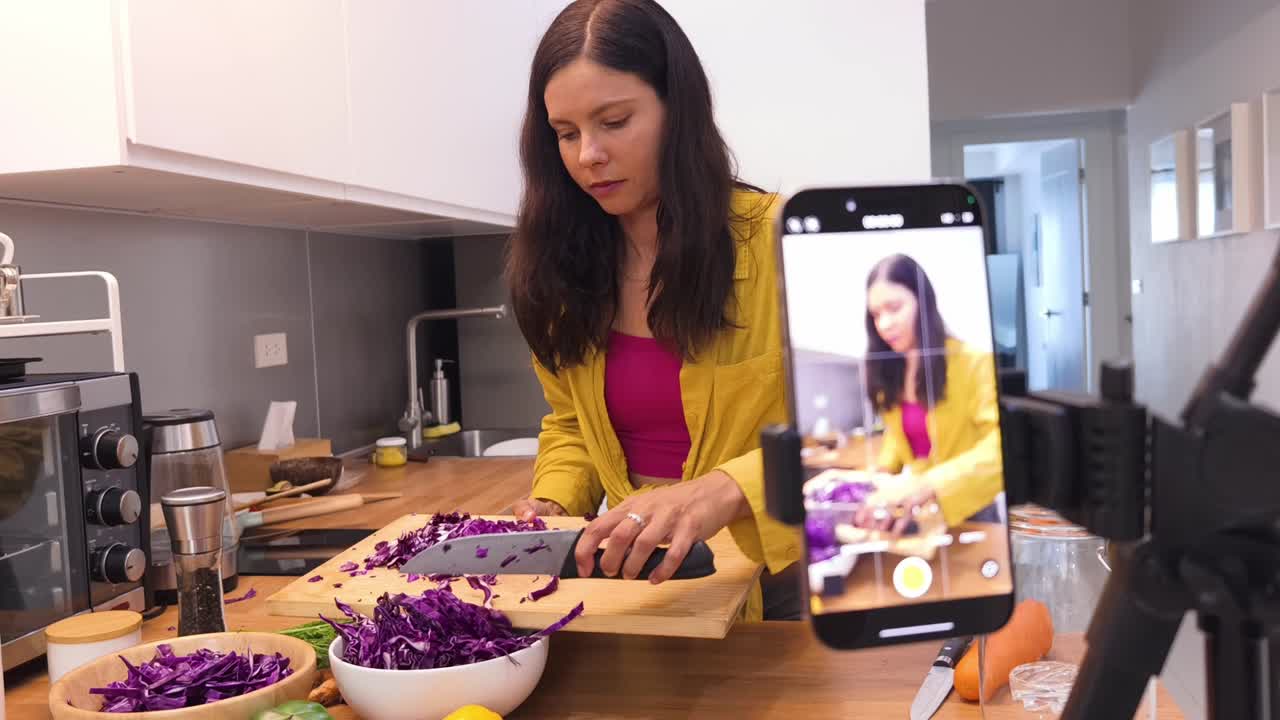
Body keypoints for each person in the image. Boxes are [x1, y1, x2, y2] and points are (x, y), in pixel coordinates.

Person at [504, 0, 802, 620]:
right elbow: (571, 426)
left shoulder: (783, 242)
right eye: (566, 133)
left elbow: (872, 436)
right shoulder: (562, 268)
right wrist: (553, 504)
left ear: (678, 112)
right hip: (639, 580)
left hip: (784, 586)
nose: (588, 154)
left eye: (614, 121)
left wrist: (729, 489)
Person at [855, 253, 1003, 536]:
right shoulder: (892, 368)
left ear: (923, 302)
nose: (884, 324)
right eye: (876, 315)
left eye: (894, 308)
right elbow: (898, 434)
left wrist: (930, 484)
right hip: (919, 511)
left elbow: (999, 447)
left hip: (971, 512)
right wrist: (884, 472)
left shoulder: (974, 362)